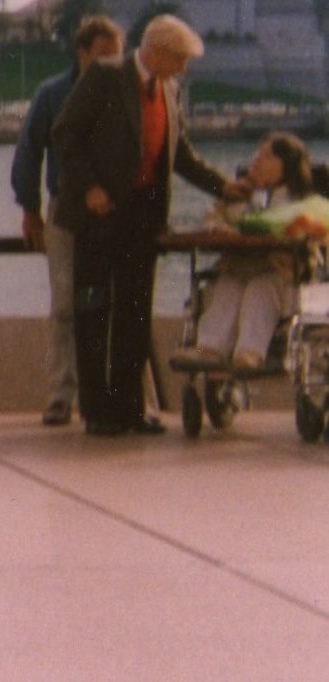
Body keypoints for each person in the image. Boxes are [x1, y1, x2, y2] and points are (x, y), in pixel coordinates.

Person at [52, 14, 249, 436]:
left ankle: (129, 408)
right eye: (179, 59)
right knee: (95, 311)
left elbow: (180, 155)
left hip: (143, 217)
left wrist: (223, 188)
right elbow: (65, 134)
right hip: (99, 214)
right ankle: (97, 411)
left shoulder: (169, 89)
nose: (183, 69)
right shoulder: (106, 75)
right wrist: (89, 188)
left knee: (135, 314)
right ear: (157, 50)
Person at [10, 15, 124, 427]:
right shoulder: (53, 93)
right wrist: (29, 209)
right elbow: (28, 152)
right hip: (66, 211)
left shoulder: (124, 90)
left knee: (112, 304)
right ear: (82, 52)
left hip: (114, 214)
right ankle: (60, 395)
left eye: (117, 56)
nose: (112, 64)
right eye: (102, 56)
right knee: (64, 304)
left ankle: (120, 393)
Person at [172, 131, 314, 369]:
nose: (257, 159)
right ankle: (209, 349)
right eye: (257, 153)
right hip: (239, 269)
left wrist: (238, 230)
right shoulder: (238, 198)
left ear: (286, 166)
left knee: (260, 289)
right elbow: (212, 219)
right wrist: (220, 226)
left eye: (267, 156)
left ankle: (249, 352)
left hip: (281, 277)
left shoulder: (296, 202)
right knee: (227, 286)